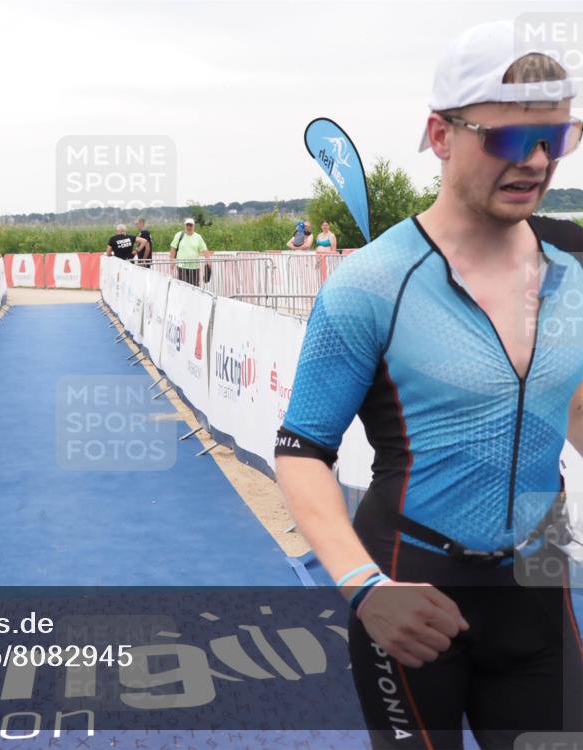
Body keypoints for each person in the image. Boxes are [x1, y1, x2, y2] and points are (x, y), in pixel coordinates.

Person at [274, 20, 583, 746]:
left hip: (538, 579)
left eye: (558, 139)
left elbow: (571, 403)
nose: (536, 162)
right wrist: (362, 589)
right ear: (441, 136)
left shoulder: (575, 261)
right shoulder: (372, 283)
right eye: (508, 140)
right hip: (411, 587)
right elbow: (300, 451)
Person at [169, 218, 208, 286]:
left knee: (195, 287)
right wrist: (172, 261)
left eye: (191, 225)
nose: (189, 227)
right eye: (187, 225)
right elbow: (173, 248)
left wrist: (209, 261)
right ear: (185, 226)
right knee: (183, 286)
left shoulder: (198, 237)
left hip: (194, 267)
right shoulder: (179, 235)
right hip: (182, 266)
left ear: (194, 226)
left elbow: (205, 250)